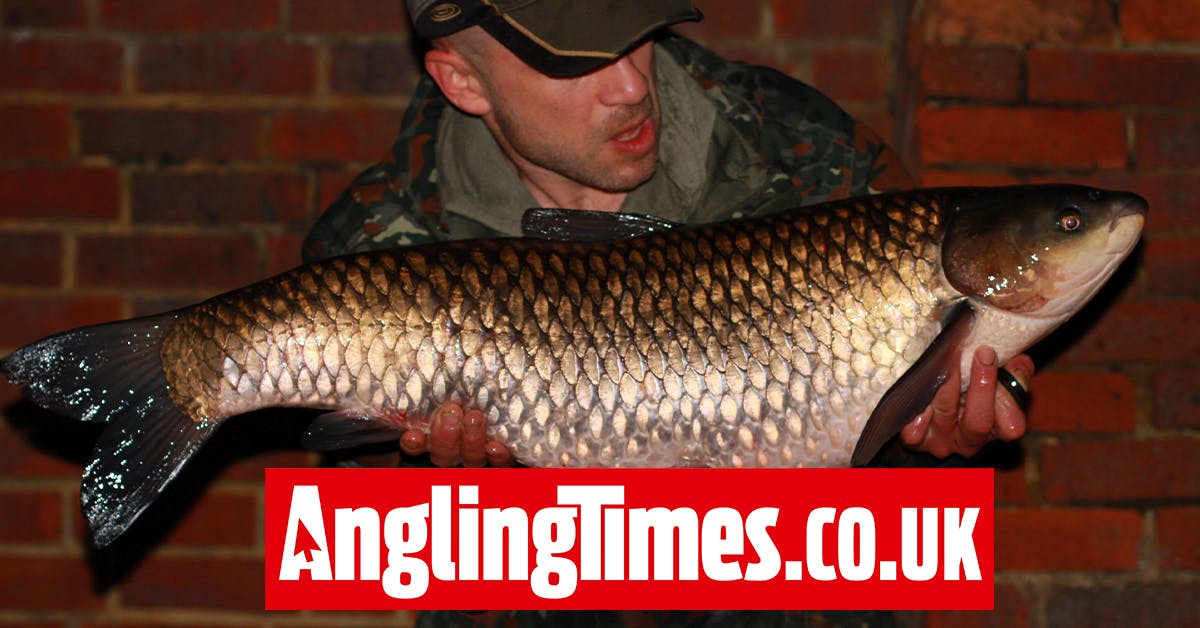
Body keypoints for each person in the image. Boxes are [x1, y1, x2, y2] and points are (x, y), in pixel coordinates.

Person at [303, 0, 1034, 470]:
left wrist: (940, 440)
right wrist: (448, 477)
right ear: (464, 83)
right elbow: (372, 522)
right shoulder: (377, 241)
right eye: (578, 61)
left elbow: (886, 488)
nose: (630, 85)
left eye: (634, 33)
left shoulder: (802, 148)